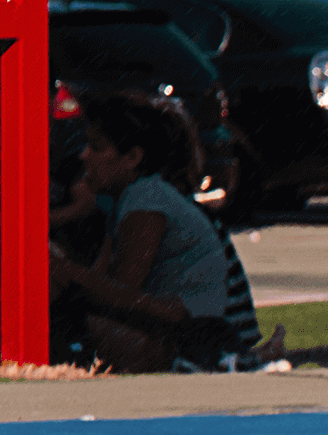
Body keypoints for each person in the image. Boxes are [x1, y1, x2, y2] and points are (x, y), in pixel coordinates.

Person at [48, 93, 239, 373]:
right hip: (176, 326)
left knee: (69, 321)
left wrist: (61, 268)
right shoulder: (128, 199)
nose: (83, 156)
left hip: (194, 333)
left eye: (97, 147)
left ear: (132, 158)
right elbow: (103, 284)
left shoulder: (146, 199)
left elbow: (118, 294)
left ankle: (208, 361)